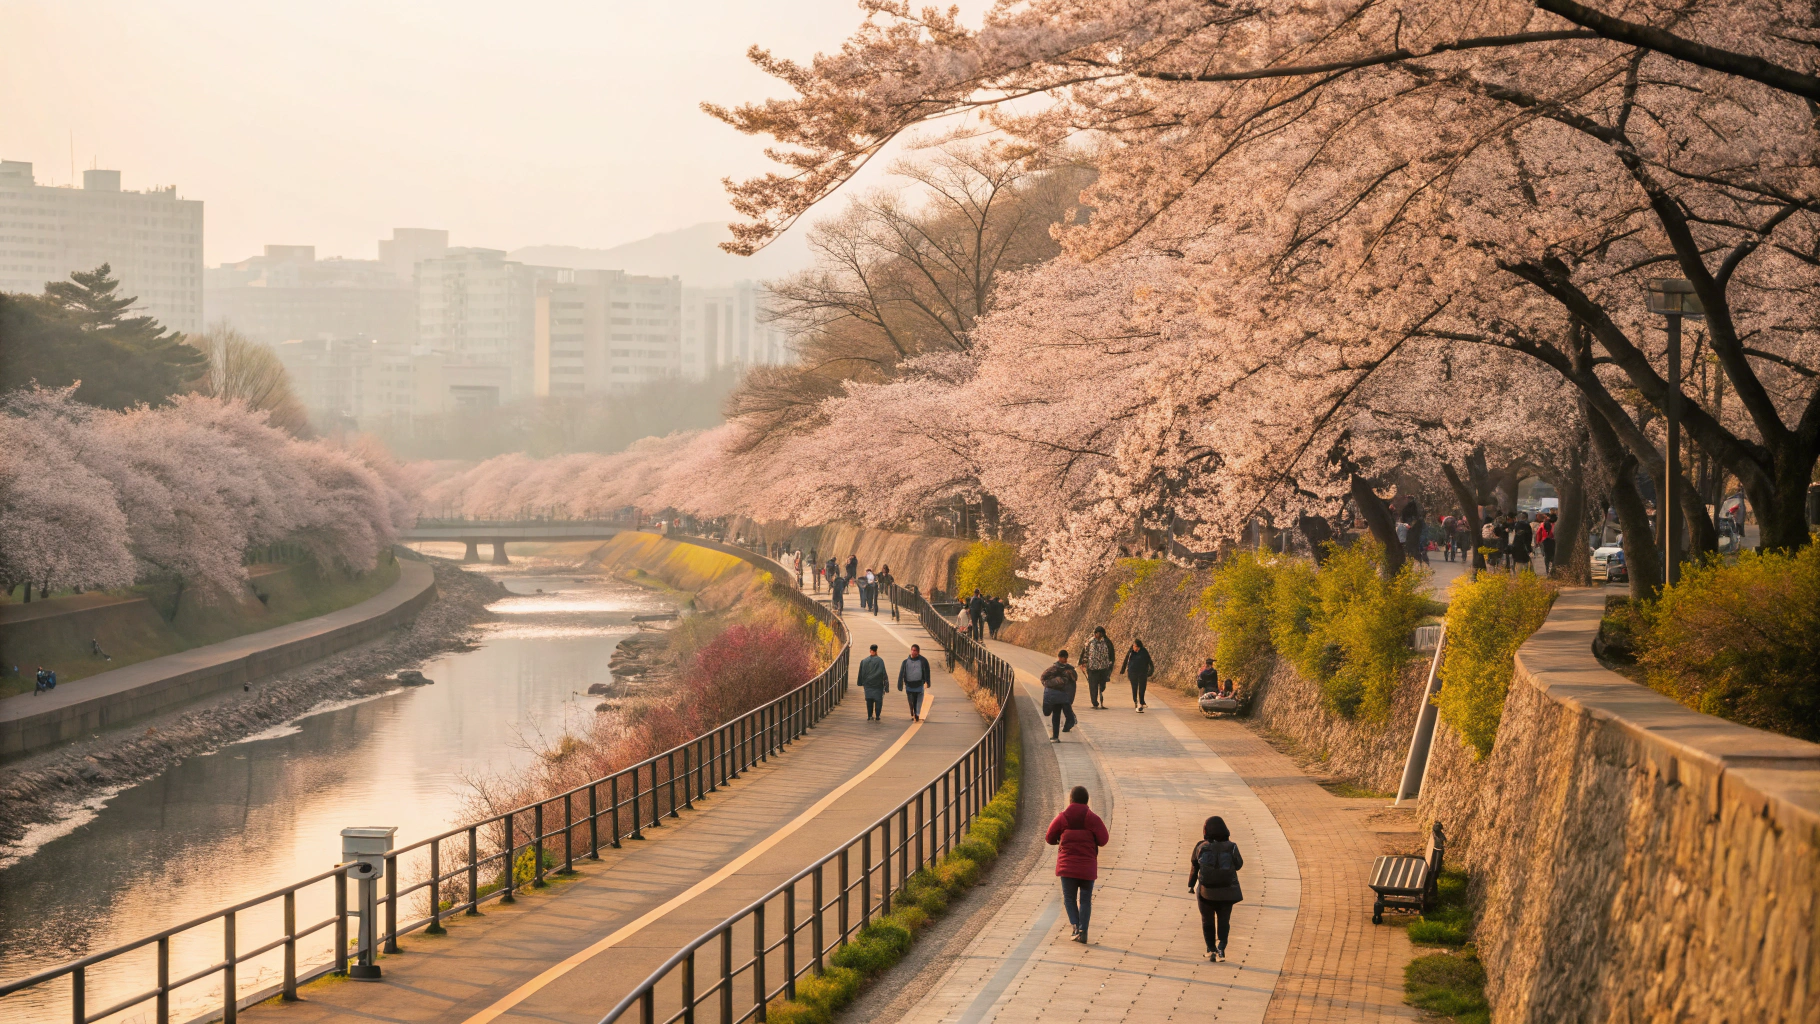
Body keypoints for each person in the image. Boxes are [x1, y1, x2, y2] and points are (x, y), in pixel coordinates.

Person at [1046, 786, 1109, 944]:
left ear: (1071, 800)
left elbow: (1049, 837)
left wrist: (1059, 840)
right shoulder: (1093, 818)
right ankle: (1083, 930)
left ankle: (1075, 927)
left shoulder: (1062, 818)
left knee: (1069, 898)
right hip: (1087, 867)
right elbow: (1104, 840)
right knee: (1086, 900)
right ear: (1087, 800)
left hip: (1067, 867)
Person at [1189, 816, 1245, 962]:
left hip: (1206, 892)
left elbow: (1195, 867)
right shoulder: (1232, 846)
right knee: (1224, 920)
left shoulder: (1201, 846)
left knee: (1207, 920)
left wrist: (1190, 884)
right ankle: (1221, 948)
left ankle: (1210, 949)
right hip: (1228, 891)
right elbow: (1238, 865)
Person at [1040, 650, 1079, 741]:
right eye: (1063, 658)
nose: (1064, 660)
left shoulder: (1069, 669)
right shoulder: (1053, 669)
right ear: (1059, 657)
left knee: (1064, 714)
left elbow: (1074, 679)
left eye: (1065, 658)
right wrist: (1056, 682)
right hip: (1057, 696)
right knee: (1056, 715)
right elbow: (1043, 679)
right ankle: (1055, 736)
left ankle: (1061, 731)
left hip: (1065, 696)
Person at [1082, 626, 1116, 710]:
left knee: (1102, 686)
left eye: (1101, 633)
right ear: (1095, 633)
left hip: (1103, 668)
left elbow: (1112, 653)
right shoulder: (1089, 641)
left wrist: (1111, 663)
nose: (1099, 635)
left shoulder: (1107, 642)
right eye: (1097, 633)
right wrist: (1083, 663)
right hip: (1092, 668)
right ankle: (1095, 703)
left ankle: (1101, 701)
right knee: (1093, 686)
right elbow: (1084, 652)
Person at [898, 644, 932, 721]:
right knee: (911, 702)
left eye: (915, 650)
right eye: (912, 650)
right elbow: (901, 673)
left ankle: (917, 714)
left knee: (918, 701)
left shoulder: (923, 661)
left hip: (919, 685)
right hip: (909, 686)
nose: (913, 652)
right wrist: (900, 685)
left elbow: (927, 672)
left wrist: (928, 682)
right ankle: (912, 712)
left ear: (918, 652)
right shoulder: (905, 662)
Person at [857, 644, 890, 721]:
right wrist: (886, 686)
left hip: (867, 684)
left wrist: (860, 682)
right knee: (878, 700)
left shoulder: (864, 661)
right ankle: (877, 715)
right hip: (878, 685)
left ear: (870, 651)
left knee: (869, 700)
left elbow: (861, 673)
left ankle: (869, 715)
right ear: (876, 651)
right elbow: (884, 674)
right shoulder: (880, 661)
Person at [1120, 639, 1154, 712]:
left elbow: (1149, 661)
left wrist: (1151, 671)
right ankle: (1135, 701)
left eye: (1134, 646)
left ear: (1138, 647)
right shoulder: (1131, 652)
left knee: (1142, 688)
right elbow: (1126, 659)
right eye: (1133, 646)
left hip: (1142, 673)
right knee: (1134, 687)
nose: (1133, 647)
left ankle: (1141, 701)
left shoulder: (1144, 652)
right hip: (1133, 672)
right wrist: (1122, 670)